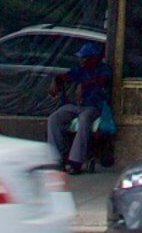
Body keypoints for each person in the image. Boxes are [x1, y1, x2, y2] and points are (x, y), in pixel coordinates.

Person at [47, 41, 113, 174]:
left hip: (94, 106)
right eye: (81, 57)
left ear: (94, 58)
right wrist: (56, 80)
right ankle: (57, 157)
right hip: (76, 106)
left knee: (84, 120)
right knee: (54, 118)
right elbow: (67, 76)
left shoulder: (104, 69)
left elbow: (102, 80)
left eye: (85, 58)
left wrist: (83, 85)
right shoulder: (80, 69)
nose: (82, 60)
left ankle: (75, 161)